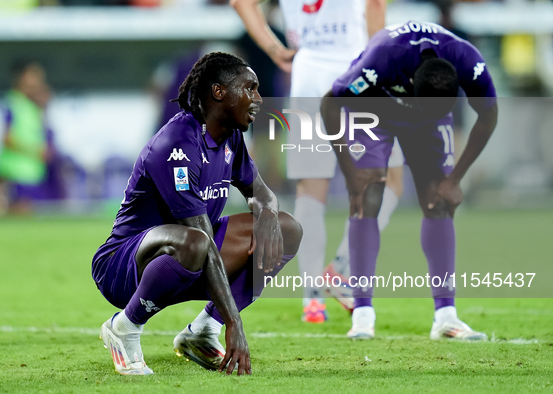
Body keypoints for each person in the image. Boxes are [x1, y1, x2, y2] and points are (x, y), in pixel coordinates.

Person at [92, 52, 302, 376]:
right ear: (219, 92)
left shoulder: (231, 136)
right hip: (124, 266)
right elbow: (201, 238)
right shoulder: (177, 144)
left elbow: (260, 193)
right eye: (250, 88)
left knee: (288, 229)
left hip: (189, 257)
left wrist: (269, 215)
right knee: (196, 241)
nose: (259, 99)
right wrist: (236, 322)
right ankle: (125, 327)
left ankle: (202, 331)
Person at [320, 21, 498, 340]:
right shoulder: (381, 59)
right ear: (413, 80)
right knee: (367, 195)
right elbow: (329, 102)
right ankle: (362, 314)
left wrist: (455, 179)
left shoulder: (468, 62)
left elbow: (488, 115)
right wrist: (350, 172)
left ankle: (446, 316)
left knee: (439, 200)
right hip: (373, 107)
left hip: (426, 122)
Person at [231, 0, 404, 322]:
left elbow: (241, 3)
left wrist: (274, 48)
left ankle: (311, 298)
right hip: (357, 68)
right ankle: (342, 269)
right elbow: (376, 5)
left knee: (311, 189)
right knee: (387, 179)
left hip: (308, 70)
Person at [0, 60, 57, 215]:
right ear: (21, 78)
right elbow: (6, 138)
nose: (37, 82)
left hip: (32, 173)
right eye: (33, 77)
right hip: (15, 173)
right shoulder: (13, 102)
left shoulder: (33, 106)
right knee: (17, 215)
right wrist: (35, 151)